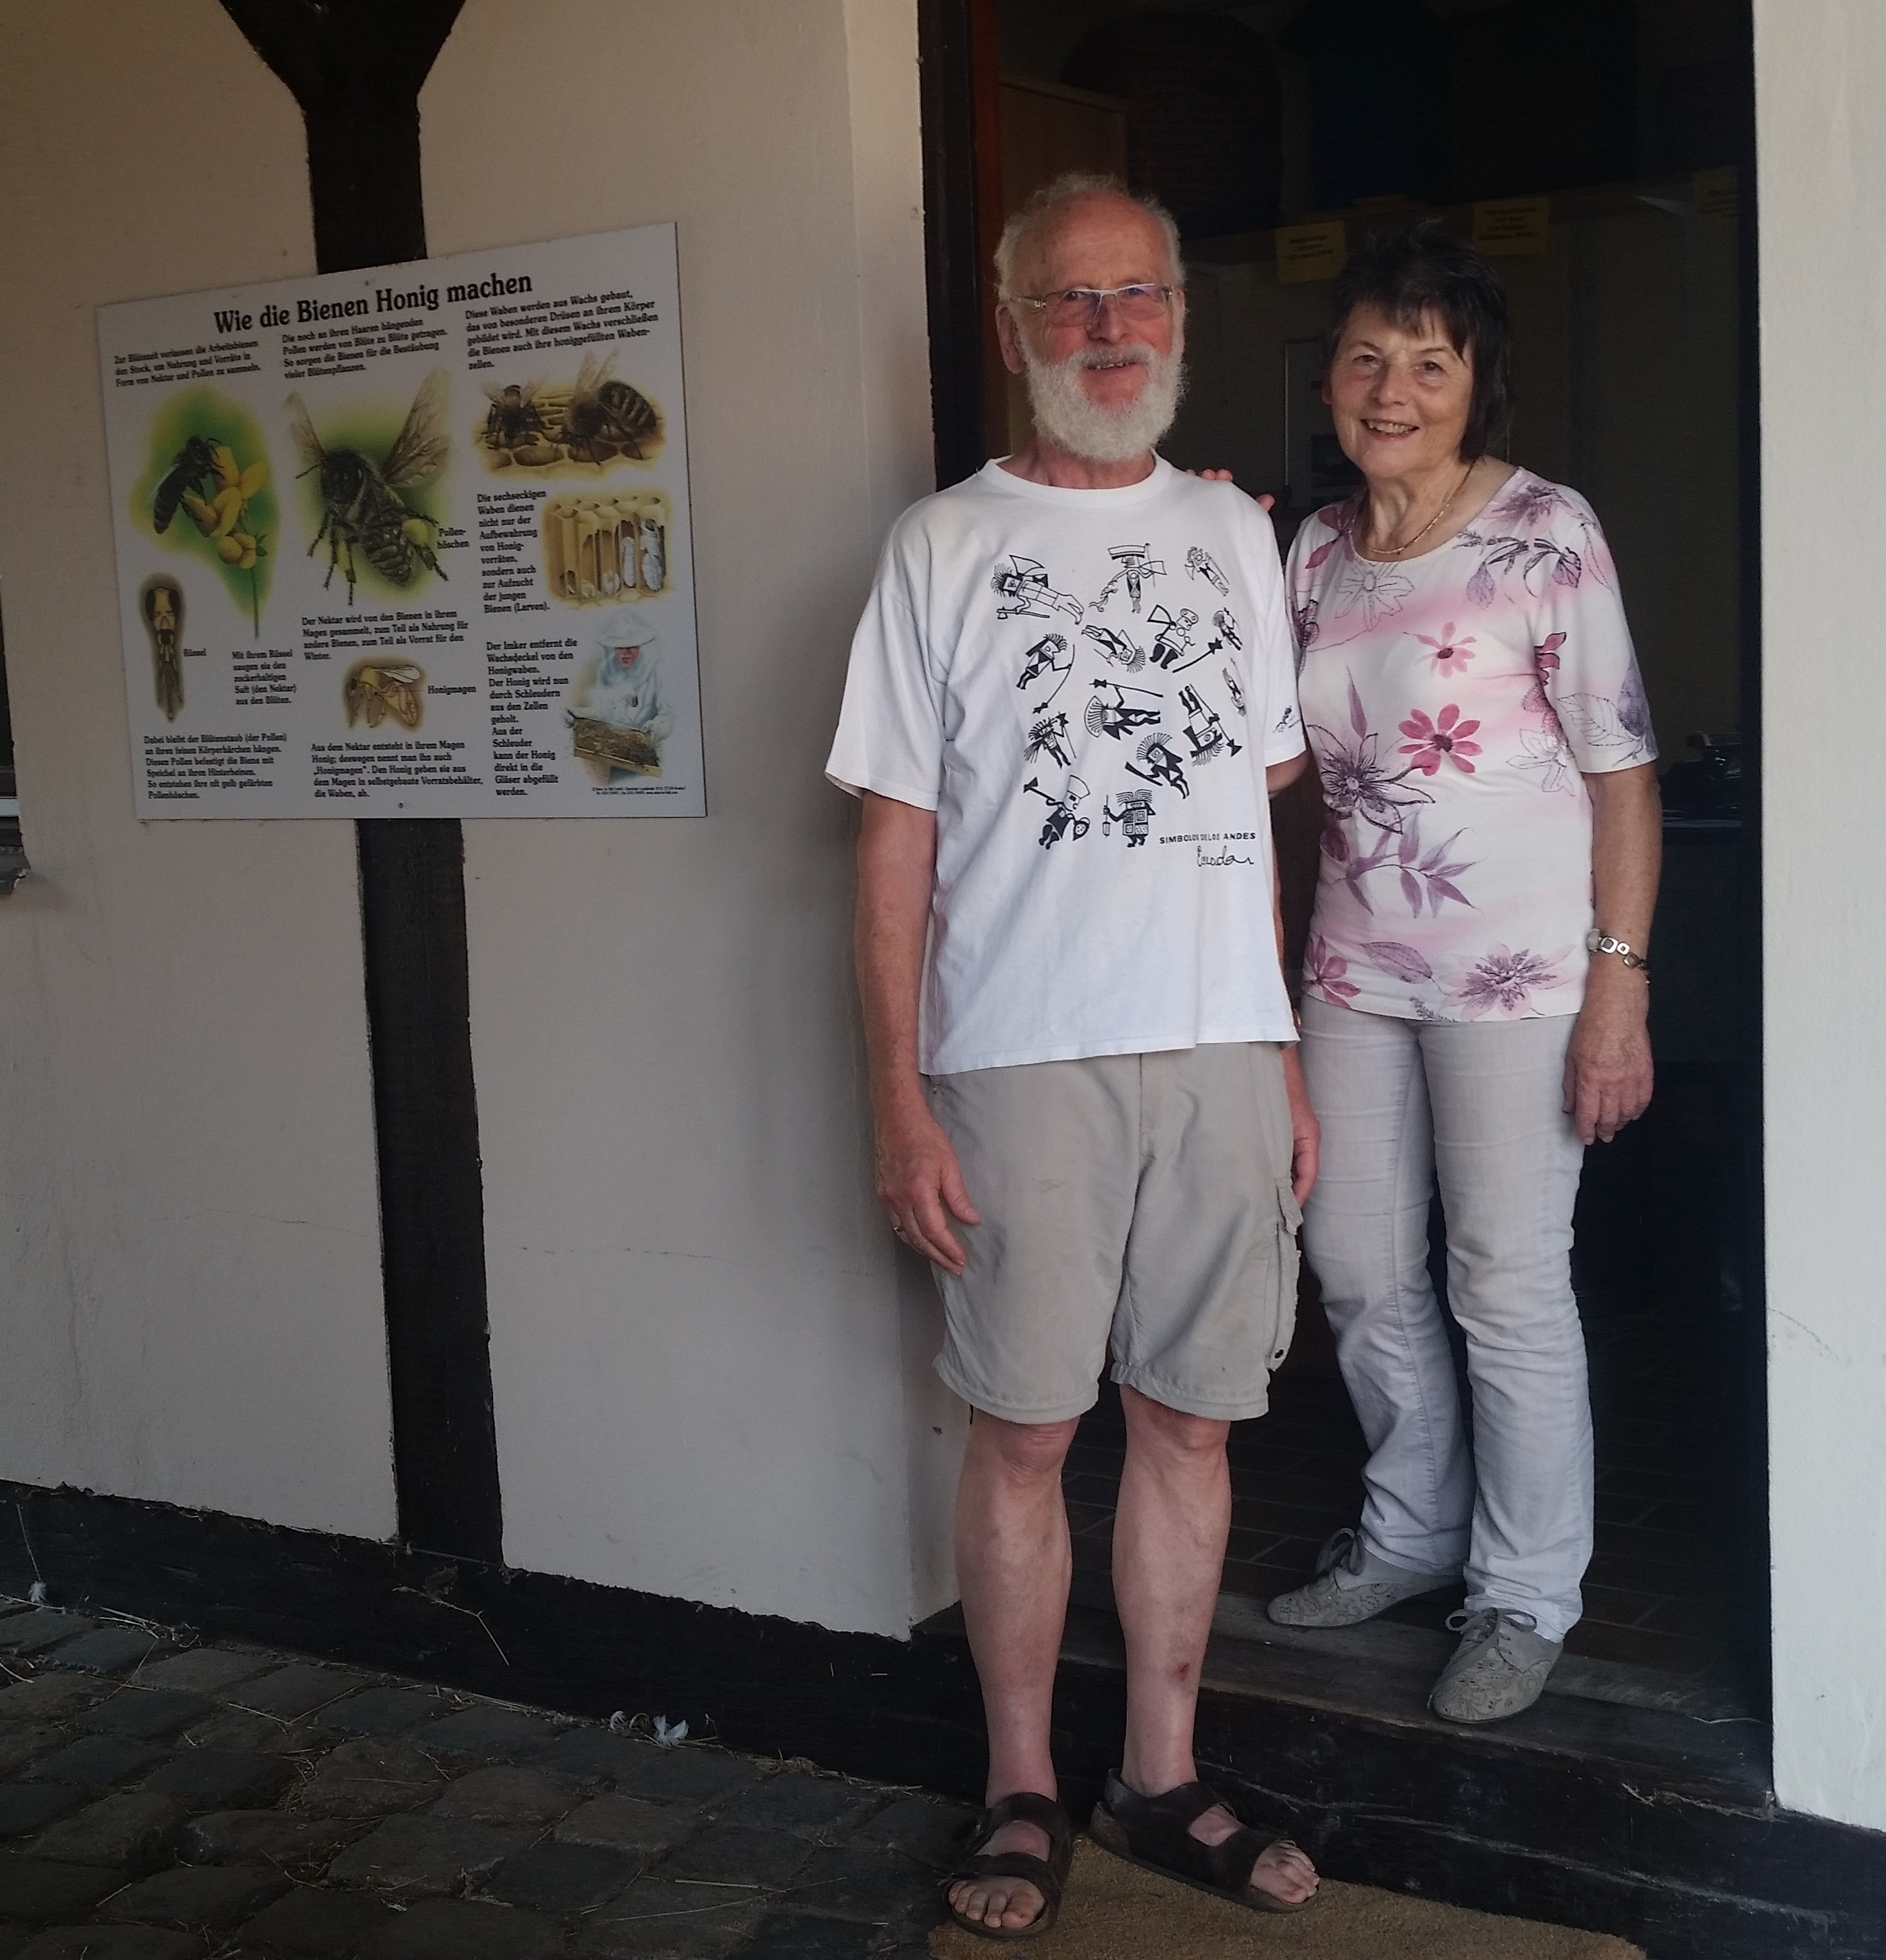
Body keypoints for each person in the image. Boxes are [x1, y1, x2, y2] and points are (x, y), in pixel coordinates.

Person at [827, 174, 1321, 1937]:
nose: (1107, 330)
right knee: (1025, 1435)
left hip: (1213, 1054)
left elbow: (1251, 816)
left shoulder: (1235, 538)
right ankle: (1021, 1788)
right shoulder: (939, 546)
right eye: (1068, 302)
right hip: (1017, 1057)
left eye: (1136, 297)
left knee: (1190, 1427)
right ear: (1012, 325)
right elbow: (890, 844)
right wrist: (895, 1099)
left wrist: (1276, 1055)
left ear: (1180, 314)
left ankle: (1161, 1772)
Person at [1266, 223, 1660, 1726]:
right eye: (1366, 354)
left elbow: (1620, 771)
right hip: (1354, 965)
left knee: (1502, 1284)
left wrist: (1614, 986)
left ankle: (1519, 1591)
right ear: (1330, 378)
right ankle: (1412, 1531)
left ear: (1472, 382)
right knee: (1358, 1269)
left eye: (1427, 360)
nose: (1390, 385)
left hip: (1519, 975)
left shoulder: (1544, 533)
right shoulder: (1307, 551)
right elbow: (1276, 760)